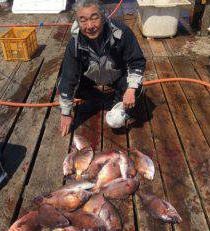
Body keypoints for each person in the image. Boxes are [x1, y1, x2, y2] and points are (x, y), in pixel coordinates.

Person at [58, 0, 146, 136]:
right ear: (77, 22)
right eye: (83, 20)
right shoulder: (74, 44)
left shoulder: (121, 32)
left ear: (104, 16)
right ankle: (100, 99)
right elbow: (69, 78)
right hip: (90, 77)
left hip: (117, 75)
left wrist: (130, 90)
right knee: (64, 85)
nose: (90, 26)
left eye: (94, 18)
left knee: (137, 89)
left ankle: (118, 101)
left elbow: (137, 61)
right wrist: (65, 113)